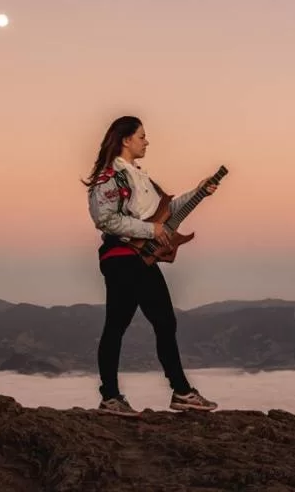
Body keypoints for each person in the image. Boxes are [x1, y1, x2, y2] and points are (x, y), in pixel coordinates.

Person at [82, 115, 219, 415]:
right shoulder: (110, 177)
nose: (147, 141)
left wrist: (199, 192)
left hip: (140, 258)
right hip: (122, 257)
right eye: (142, 136)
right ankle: (122, 396)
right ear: (126, 139)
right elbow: (104, 219)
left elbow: (165, 212)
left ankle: (172, 392)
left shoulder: (141, 177)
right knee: (128, 324)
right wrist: (150, 231)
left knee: (155, 322)